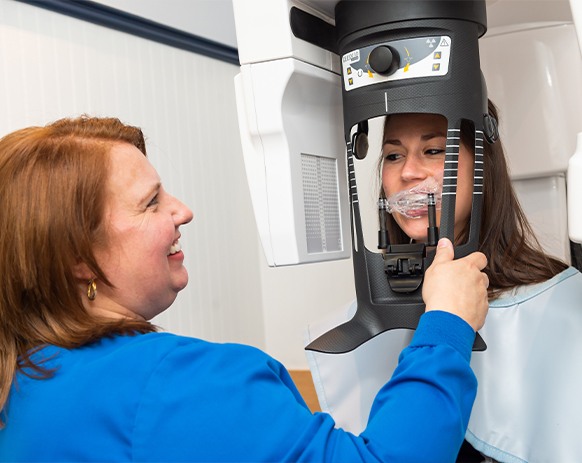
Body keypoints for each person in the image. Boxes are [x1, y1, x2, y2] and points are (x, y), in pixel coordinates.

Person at [0, 116, 489, 462]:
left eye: (435, 149)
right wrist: (447, 326)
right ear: (80, 261)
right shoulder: (183, 385)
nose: (183, 210)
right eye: (151, 204)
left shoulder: (26, 378)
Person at [305, 101, 582, 463]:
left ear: (482, 165)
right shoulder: (361, 322)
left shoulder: (556, 300)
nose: (408, 173)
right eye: (392, 156)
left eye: (433, 150)